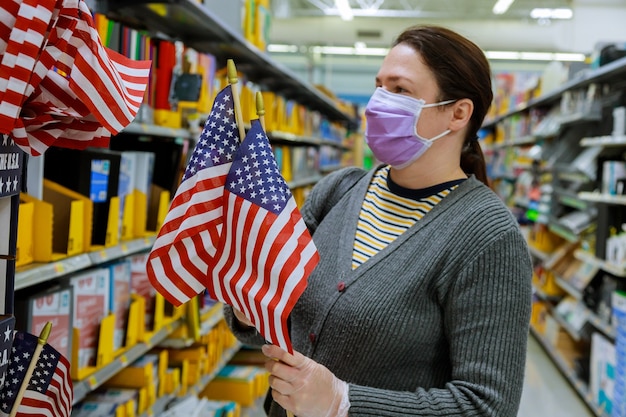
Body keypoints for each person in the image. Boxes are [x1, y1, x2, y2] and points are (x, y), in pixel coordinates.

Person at [224, 24, 533, 417]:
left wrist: (342, 402)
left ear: (457, 113)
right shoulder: (338, 189)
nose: (376, 103)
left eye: (400, 90)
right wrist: (248, 305)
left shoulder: (487, 237)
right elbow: (272, 310)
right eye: (379, 85)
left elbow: (486, 407)